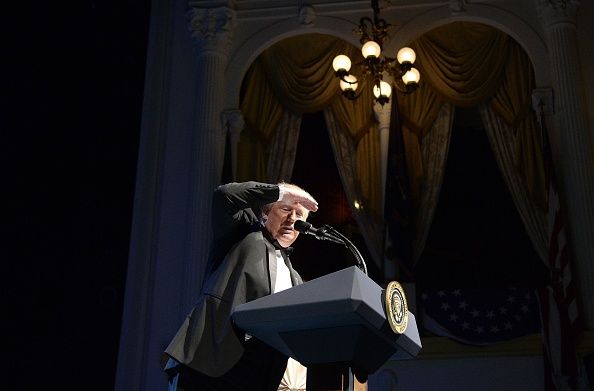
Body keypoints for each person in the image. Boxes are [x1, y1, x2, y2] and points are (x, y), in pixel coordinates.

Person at [163, 181, 319, 391]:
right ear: (265, 211)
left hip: (254, 377)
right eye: (285, 208)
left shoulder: (296, 279)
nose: (292, 219)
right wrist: (281, 192)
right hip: (210, 364)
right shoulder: (243, 232)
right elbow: (224, 196)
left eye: (299, 214)